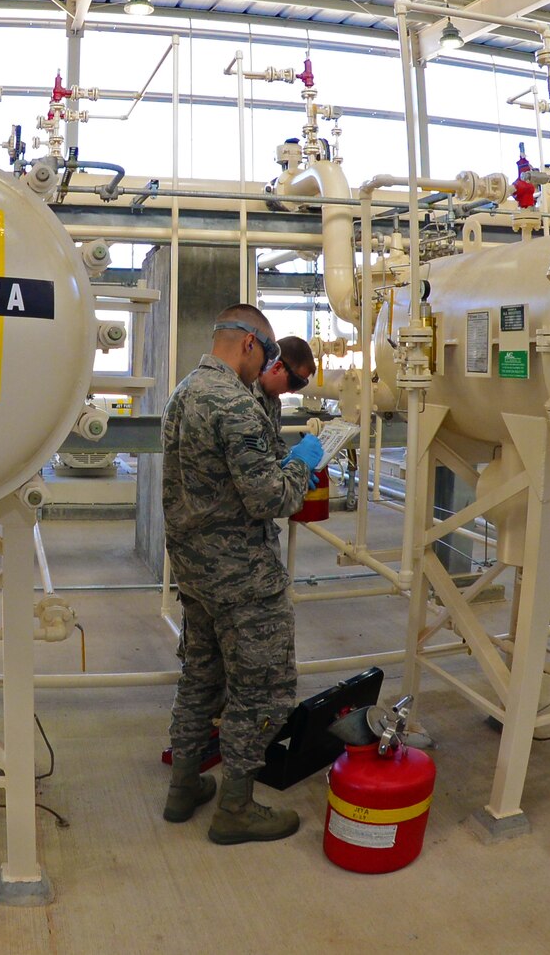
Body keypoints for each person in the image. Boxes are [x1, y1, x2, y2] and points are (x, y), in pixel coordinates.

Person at [159, 305, 323, 844]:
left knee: (201, 678)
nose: (267, 367)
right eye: (268, 354)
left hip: (194, 570)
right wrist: (301, 463)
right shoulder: (233, 402)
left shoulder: (184, 393)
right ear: (250, 344)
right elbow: (269, 498)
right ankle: (235, 809)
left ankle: (183, 789)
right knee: (261, 689)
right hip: (242, 577)